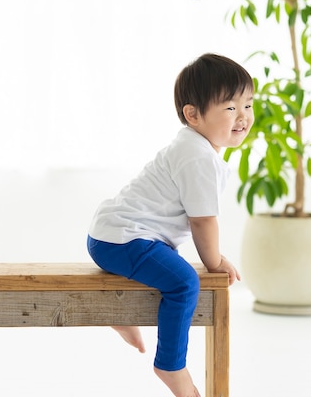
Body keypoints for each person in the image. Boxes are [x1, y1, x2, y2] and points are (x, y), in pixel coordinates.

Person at [87, 53, 254, 397]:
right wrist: (214, 261)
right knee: (184, 282)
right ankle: (171, 365)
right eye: (230, 108)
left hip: (114, 236)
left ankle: (120, 315)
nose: (243, 117)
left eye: (248, 105)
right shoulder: (197, 156)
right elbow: (202, 220)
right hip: (122, 239)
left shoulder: (195, 148)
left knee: (169, 269)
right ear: (192, 114)